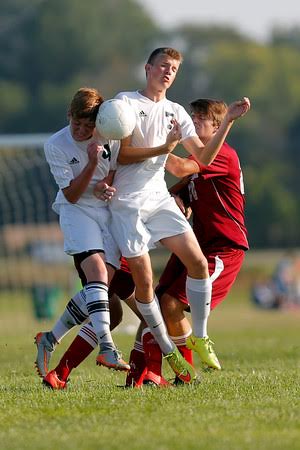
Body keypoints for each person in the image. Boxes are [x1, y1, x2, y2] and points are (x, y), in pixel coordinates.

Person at [108, 47, 250, 384]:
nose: (168, 72)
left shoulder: (175, 112)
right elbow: (125, 155)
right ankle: (154, 366)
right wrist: (164, 151)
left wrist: (227, 121)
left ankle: (197, 339)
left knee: (194, 267)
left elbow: (198, 159)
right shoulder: (126, 102)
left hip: (183, 217)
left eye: (174, 68)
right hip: (129, 203)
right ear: (148, 68)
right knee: (148, 294)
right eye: (163, 66)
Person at [134, 98, 249, 385]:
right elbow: (179, 189)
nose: (193, 123)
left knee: (171, 304)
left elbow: (180, 167)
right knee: (157, 301)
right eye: (192, 117)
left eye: (200, 119)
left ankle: (186, 370)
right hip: (197, 242)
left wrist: (143, 144)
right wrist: (177, 200)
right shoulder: (201, 161)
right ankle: (148, 372)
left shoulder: (221, 154)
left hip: (224, 247)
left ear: (218, 126)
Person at [34, 87, 132, 379]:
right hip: (75, 211)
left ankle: (50, 338)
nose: (82, 130)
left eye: (89, 126)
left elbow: (112, 170)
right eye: (77, 123)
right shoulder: (56, 144)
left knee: (99, 286)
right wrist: (91, 164)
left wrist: (105, 184)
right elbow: (73, 195)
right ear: (69, 115)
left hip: (106, 211)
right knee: (97, 275)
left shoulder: (109, 135)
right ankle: (107, 347)